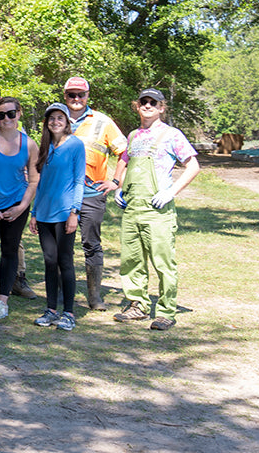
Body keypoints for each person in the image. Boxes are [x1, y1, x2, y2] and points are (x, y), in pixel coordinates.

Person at [112, 89, 200, 331]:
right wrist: (118, 187)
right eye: (143, 102)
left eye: (153, 102)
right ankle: (137, 305)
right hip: (133, 210)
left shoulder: (172, 135)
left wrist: (171, 192)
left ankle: (165, 311)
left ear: (162, 107)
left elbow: (193, 166)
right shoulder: (133, 136)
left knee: (163, 262)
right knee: (131, 261)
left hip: (157, 210)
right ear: (137, 106)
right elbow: (125, 160)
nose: (148, 105)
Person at [63, 76, 128, 311]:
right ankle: (64, 292)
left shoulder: (102, 121)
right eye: (72, 95)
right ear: (65, 96)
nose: (76, 99)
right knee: (63, 243)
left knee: (91, 244)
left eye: (81, 95)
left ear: (88, 96)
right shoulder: (56, 118)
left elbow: (125, 152)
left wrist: (116, 181)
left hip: (92, 191)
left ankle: (94, 296)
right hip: (63, 192)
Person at [0, 97, 39, 320]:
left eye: (11, 114)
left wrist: (22, 207)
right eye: (1, 115)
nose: (6, 119)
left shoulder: (28, 144)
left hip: (16, 205)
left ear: (19, 114)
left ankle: (3, 301)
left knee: (10, 252)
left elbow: (33, 179)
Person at [29, 103, 85, 331]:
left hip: (65, 214)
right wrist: (33, 213)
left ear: (67, 121)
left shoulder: (75, 145)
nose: (55, 122)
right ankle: (51, 309)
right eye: (51, 118)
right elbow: (39, 183)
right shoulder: (45, 146)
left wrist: (75, 212)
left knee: (65, 261)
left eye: (60, 117)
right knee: (49, 262)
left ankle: (68, 313)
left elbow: (79, 180)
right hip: (43, 214)